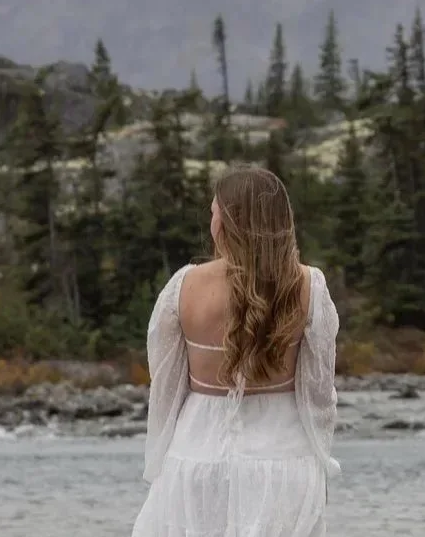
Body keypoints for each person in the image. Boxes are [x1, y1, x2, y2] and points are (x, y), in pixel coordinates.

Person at [134, 166, 341, 536]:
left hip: (197, 455)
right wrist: (322, 462)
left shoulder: (183, 287)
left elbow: (164, 390)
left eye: (214, 211)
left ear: (226, 221)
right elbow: (319, 394)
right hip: (284, 458)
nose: (211, 220)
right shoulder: (310, 286)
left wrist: (159, 467)